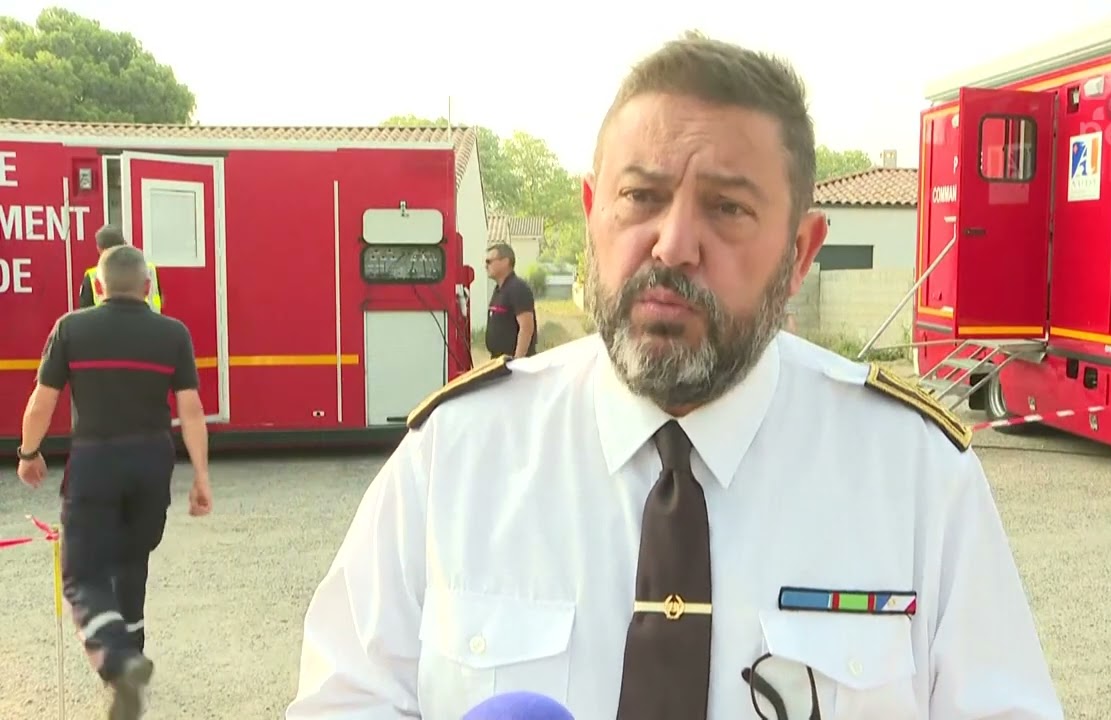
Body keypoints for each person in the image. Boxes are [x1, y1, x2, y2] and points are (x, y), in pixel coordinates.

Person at [286, 31, 1062, 720]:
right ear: (593, 213)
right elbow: (348, 699)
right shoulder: (456, 455)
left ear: (800, 253)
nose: (673, 243)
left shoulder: (918, 478)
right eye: (641, 197)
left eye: (727, 209)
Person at [16, 244, 213, 720]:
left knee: (82, 574)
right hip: (151, 463)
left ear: (99, 285)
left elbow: (42, 402)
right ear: (147, 286)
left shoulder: (72, 328)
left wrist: (28, 453)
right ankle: (134, 655)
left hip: (96, 461)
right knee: (131, 560)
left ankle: (119, 661)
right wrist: (201, 477)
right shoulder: (173, 333)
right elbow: (191, 411)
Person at [80, 225, 164, 313]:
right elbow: (159, 298)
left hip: (108, 322)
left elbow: (85, 310)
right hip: (149, 320)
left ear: (99, 249)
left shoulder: (93, 275)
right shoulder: (149, 270)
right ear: (124, 243)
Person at [483, 242, 538, 358]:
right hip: (499, 360)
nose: (485, 266)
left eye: (489, 261)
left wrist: (518, 360)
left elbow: (526, 328)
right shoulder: (499, 290)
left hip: (514, 363)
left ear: (505, 261)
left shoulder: (518, 288)